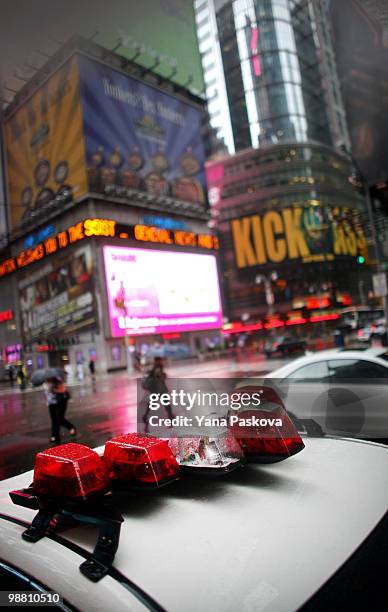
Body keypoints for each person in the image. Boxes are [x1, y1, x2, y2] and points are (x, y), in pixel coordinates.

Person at [45, 377, 76, 444]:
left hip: (60, 402)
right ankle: (55, 435)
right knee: (54, 419)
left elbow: (62, 390)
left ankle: (70, 427)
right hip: (51, 403)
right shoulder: (47, 382)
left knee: (59, 418)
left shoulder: (58, 381)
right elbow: (47, 393)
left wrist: (53, 390)